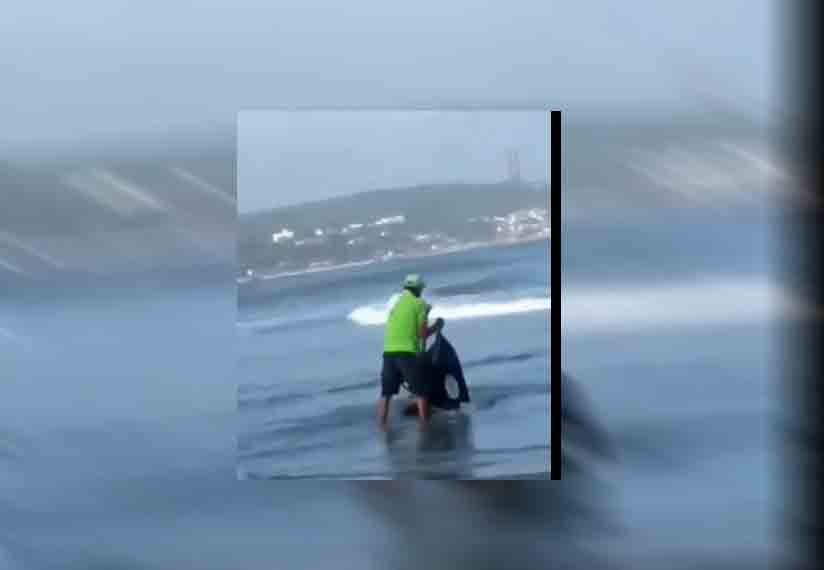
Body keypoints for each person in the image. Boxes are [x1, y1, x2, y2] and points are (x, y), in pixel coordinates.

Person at [378, 273, 444, 429]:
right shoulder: (419, 304)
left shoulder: (396, 305)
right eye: (421, 289)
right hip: (406, 353)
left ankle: (382, 425)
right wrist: (437, 325)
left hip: (388, 352)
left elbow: (404, 325)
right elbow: (422, 334)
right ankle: (425, 425)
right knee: (422, 391)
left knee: (386, 393)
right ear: (418, 289)